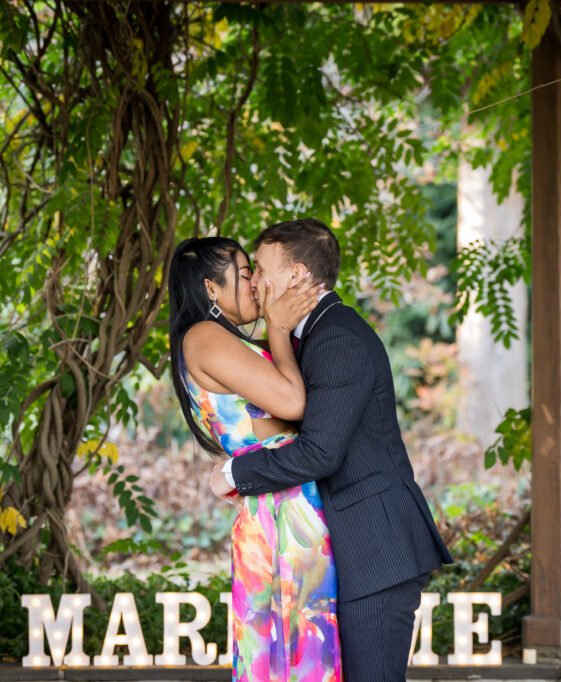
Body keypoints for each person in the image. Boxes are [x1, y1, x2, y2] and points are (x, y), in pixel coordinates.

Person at [209, 219, 453, 681]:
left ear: (296, 275)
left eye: (260, 268)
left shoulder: (336, 336)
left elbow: (320, 453)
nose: (255, 282)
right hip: (354, 550)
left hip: (376, 551)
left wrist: (234, 475)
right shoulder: (310, 336)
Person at [168, 236, 341, 682]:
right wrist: (279, 328)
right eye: (246, 274)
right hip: (282, 509)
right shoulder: (205, 338)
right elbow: (292, 401)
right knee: (303, 647)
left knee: (289, 647)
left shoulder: (218, 339)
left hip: (278, 501)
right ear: (210, 288)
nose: (255, 284)